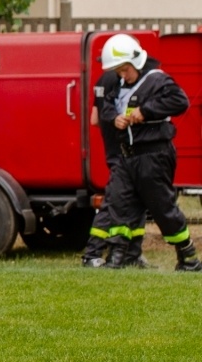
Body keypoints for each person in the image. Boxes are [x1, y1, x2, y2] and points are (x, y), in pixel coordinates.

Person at [97, 33, 201, 271]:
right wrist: (114, 119)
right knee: (120, 201)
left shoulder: (158, 80)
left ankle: (188, 257)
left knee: (161, 206)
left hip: (154, 154)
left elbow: (180, 101)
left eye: (125, 70)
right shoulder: (119, 84)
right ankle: (117, 257)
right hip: (127, 155)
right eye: (118, 71)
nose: (122, 76)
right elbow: (106, 110)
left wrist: (146, 111)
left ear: (135, 63)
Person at [81, 69, 148, 268]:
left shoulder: (104, 78)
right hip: (125, 152)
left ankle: (132, 255)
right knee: (114, 202)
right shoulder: (123, 78)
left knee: (132, 201)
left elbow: (94, 119)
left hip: (115, 151)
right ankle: (92, 253)